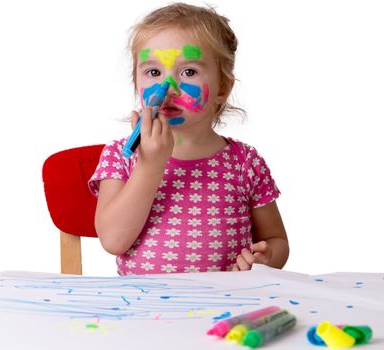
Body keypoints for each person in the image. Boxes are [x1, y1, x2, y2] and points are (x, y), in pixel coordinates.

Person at [88, 3, 289, 275]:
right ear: (136, 82)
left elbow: (277, 241)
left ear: (223, 87)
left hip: (227, 303)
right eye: (154, 72)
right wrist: (149, 166)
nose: (167, 88)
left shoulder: (245, 163)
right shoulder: (122, 154)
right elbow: (113, 241)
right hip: (141, 306)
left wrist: (266, 260)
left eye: (189, 72)